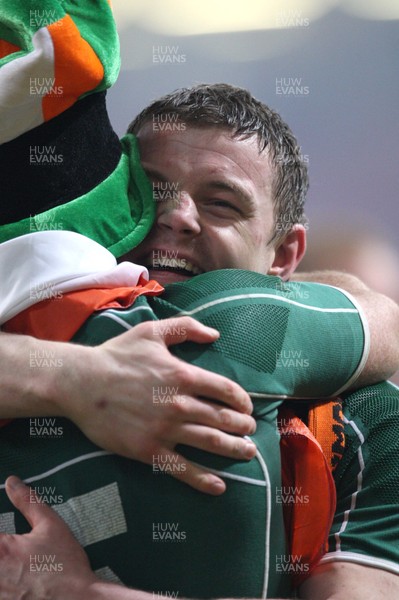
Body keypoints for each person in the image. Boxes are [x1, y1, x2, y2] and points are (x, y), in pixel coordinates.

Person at [0, 2, 398, 599]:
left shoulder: (371, 420)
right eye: (150, 189)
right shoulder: (35, 318)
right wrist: (75, 375)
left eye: (221, 203)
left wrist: (78, 595)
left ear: (284, 255)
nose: (177, 217)